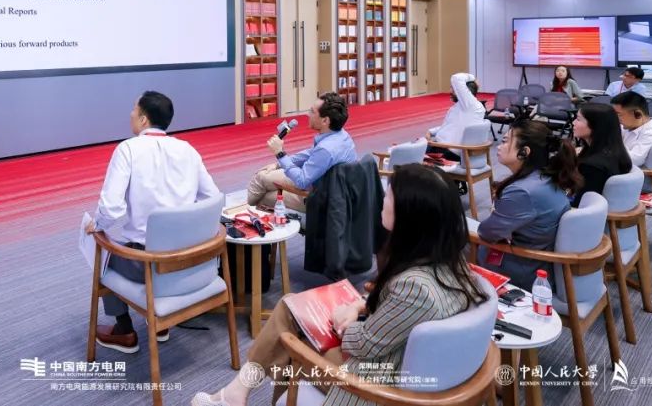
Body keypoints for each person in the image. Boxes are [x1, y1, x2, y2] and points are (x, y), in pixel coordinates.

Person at [193, 165, 488, 406]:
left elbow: (362, 345)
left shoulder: (414, 288)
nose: (382, 199)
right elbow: (398, 314)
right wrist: (361, 305)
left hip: (375, 382)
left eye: (389, 195)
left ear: (409, 215)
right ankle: (236, 393)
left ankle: (236, 393)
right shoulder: (452, 263)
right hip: (400, 361)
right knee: (290, 308)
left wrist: (344, 318)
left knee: (289, 339)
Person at [86, 91, 221, 353]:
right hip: (191, 262)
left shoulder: (128, 149)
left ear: (143, 119)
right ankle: (160, 324)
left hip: (147, 266)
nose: (130, 114)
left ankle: (124, 330)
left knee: (98, 247)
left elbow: (111, 209)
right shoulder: (188, 149)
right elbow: (213, 198)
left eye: (133, 109)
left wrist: (97, 224)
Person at [475, 120, 579, 290]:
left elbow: (486, 233)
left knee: (457, 240)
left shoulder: (522, 191)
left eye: (505, 141)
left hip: (524, 271)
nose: (498, 147)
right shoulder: (546, 178)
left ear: (524, 152)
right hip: (541, 261)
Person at [246, 92, 356, 212]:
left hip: (320, 199)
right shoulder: (341, 135)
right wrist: (278, 164)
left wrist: (280, 153)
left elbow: (301, 181)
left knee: (263, 196)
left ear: (325, 120)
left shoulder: (326, 149)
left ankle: (245, 213)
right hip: (328, 186)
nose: (308, 114)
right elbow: (310, 153)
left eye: (312, 112)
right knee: (262, 177)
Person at [572, 103, 632, 202]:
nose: (573, 122)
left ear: (595, 125)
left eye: (578, 119)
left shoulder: (593, 166)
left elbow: (582, 202)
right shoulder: (615, 152)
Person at [425, 72, 485, 164]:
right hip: (441, 147)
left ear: (465, 91)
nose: (450, 91)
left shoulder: (470, 105)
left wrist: (473, 78)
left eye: (453, 88)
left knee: (411, 155)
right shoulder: (463, 107)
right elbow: (450, 126)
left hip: (448, 152)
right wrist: (431, 132)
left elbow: (456, 78)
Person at [611, 92, 652, 167]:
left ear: (638, 114)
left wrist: (614, 140)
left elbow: (633, 160)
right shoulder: (628, 126)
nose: (615, 118)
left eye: (619, 114)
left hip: (634, 172)